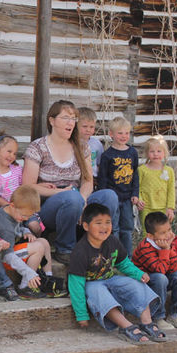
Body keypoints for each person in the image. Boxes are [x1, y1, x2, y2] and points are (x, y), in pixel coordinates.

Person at [22, 100, 119, 265]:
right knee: (71, 198)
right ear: (52, 120)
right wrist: (62, 193)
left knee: (109, 196)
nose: (71, 122)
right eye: (66, 117)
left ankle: (99, 245)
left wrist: (82, 198)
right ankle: (65, 249)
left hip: (77, 198)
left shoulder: (81, 147)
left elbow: (88, 180)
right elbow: (27, 187)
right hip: (48, 205)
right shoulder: (37, 148)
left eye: (73, 118)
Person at [68, 203, 167, 344]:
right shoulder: (80, 251)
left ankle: (147, 322)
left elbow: (123, 263)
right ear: (86, 226)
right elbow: (76, 285)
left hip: (110, 278)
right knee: (98, 293)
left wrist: (138, 274)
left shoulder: (112, 241)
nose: (104, 227)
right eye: (98, 223)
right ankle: (126, 326)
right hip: (91, 283)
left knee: (136, 283)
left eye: (108, 222)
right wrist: (81, 314)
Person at [0, 185, 60, 300]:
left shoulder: (13, 212)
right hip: (3, 256)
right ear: (12, 205)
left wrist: (26, 231)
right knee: (38, 247)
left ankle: (47, 279)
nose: (26, 219)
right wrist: (29, 273)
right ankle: (25, 287)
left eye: (29, 216)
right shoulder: (3, 225)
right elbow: (8, 256)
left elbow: (17, 228)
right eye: (24, 216)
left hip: (11, 249)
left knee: (44, 242)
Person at [132, 212, 177, 330]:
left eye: (169, 230)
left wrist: (169, 248)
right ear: (150, 236)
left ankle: (175, 314)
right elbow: (160, 270)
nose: (168, 235)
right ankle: (158, 317)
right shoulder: (145, 247)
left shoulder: (166, 243)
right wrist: (166, 250)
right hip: (144, 281)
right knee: (160, 278)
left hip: (160, 277)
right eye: (163, 233)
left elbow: (174, 268)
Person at [0, 134, 43, 236]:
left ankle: (37, 243)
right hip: (6, 212)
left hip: (26, 207)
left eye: (15, 153)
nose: (12, 156)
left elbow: (24, 186)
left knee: (35, 227)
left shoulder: (17, 169)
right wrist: (14, 209)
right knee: (11, 231)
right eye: (9, 151)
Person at [98, 116, 139, 257]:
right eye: (120, 133)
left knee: (127, 228)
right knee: (113, 227)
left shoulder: (132, 153)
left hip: (127, 198)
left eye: (127, 133)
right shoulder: (107, 155)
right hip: (113, 198)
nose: (124, 136)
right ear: (111, 134)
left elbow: (135, 175)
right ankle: (113, 256)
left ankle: (127, 257)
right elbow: (103, 178)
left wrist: (135, 194)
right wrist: (103, 199)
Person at [138, 135, 176, 234]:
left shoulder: (169, 171)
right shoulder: (142, 170)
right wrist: (139, 199)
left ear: (164, 153)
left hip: (163, 208)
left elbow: (171, 190)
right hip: (146, 207)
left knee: (163, 232)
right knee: (148, 233)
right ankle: (147, 249)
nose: (156, 154)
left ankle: (162, 249)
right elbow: (137, 187)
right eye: (152, 151)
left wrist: (170, 208)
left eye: (159, 151)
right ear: (147, 153)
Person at [77, 107, 103, 183]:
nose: (88, 130)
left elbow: (99, 163)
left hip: (93, 178)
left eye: (91, 127)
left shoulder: (97, 144)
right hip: (77, 178)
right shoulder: (72, 143)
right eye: (84, 126)